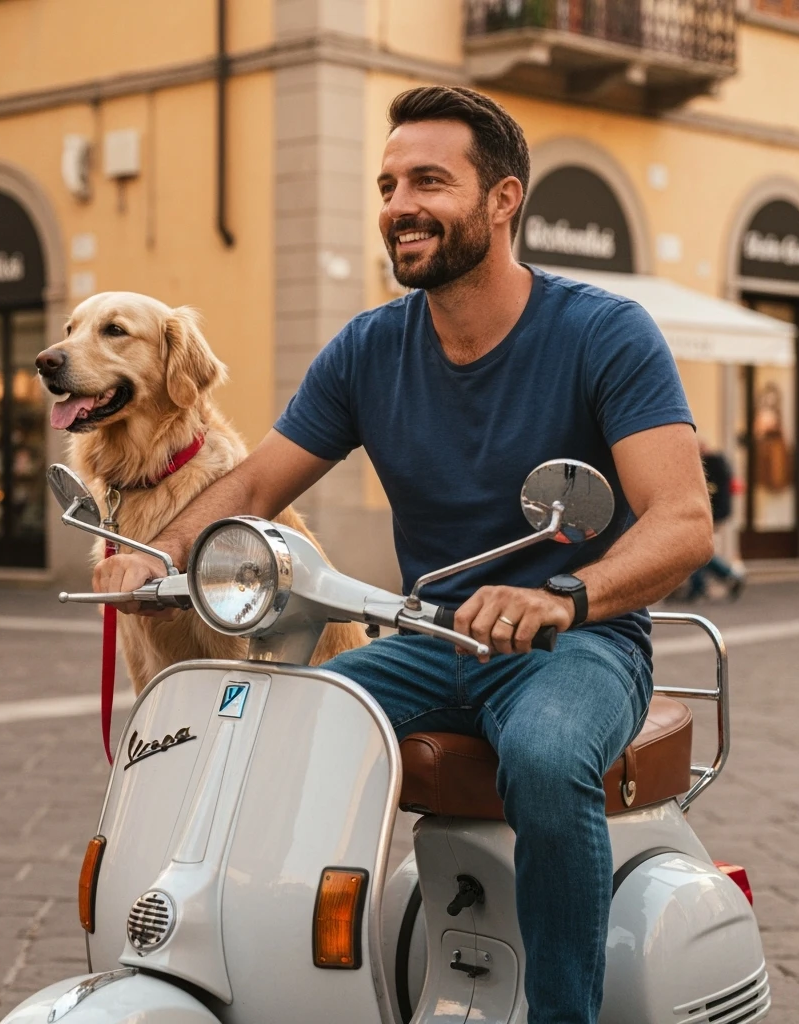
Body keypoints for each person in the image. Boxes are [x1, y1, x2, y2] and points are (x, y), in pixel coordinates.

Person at [93, 86, 713, 1024]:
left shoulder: (602, 331)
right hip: (431, 635)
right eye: (387, 184)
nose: (397, 205)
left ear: (503, 200)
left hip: (577, 642)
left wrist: (564, 597)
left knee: (546, 758)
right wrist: (155, 553)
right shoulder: (369, 350)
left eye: (428, 179)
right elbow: (254, 485)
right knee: (260, 729)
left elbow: (682, 521)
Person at [686, 442, 745, 600]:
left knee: (698, 549)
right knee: (698, 548)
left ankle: (703, 584)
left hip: (711, 513)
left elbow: (713, 494)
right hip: (714, 513)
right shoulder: (719, 465)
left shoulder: (711, 466)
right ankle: (727, 577)